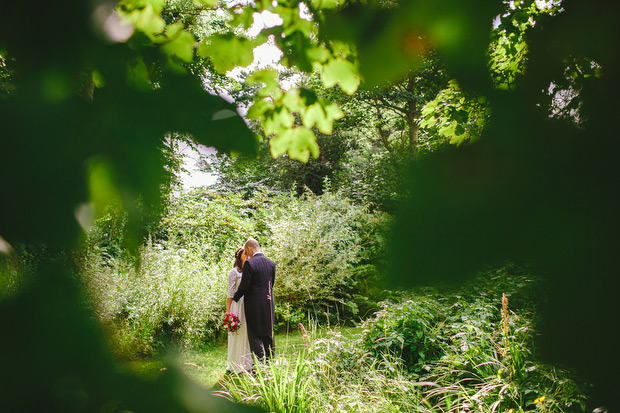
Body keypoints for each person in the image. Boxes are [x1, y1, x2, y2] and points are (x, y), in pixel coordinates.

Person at [233, 238, 276, 362]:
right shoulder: (271, 263)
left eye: (246, 251)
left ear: (249, 248)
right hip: (268, 303)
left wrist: (235, 298)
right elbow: (270, 285)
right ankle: (270, 364)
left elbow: (244, 286)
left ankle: (259, 365)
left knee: (255, 335)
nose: (246, 254)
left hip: (254, 305)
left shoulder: (249, 264)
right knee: (268, 334)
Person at [226, 247, 252, 373]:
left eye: (248, 253)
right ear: (239, 256)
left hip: (249, 304)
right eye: (245, 254)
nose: (247, 255)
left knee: (247, 333)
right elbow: (230, 293)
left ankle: (247, 363)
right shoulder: (234, 272)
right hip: (237, 304)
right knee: (237, 333)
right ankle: (235, 363)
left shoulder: (251, 269)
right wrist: (228, 312)